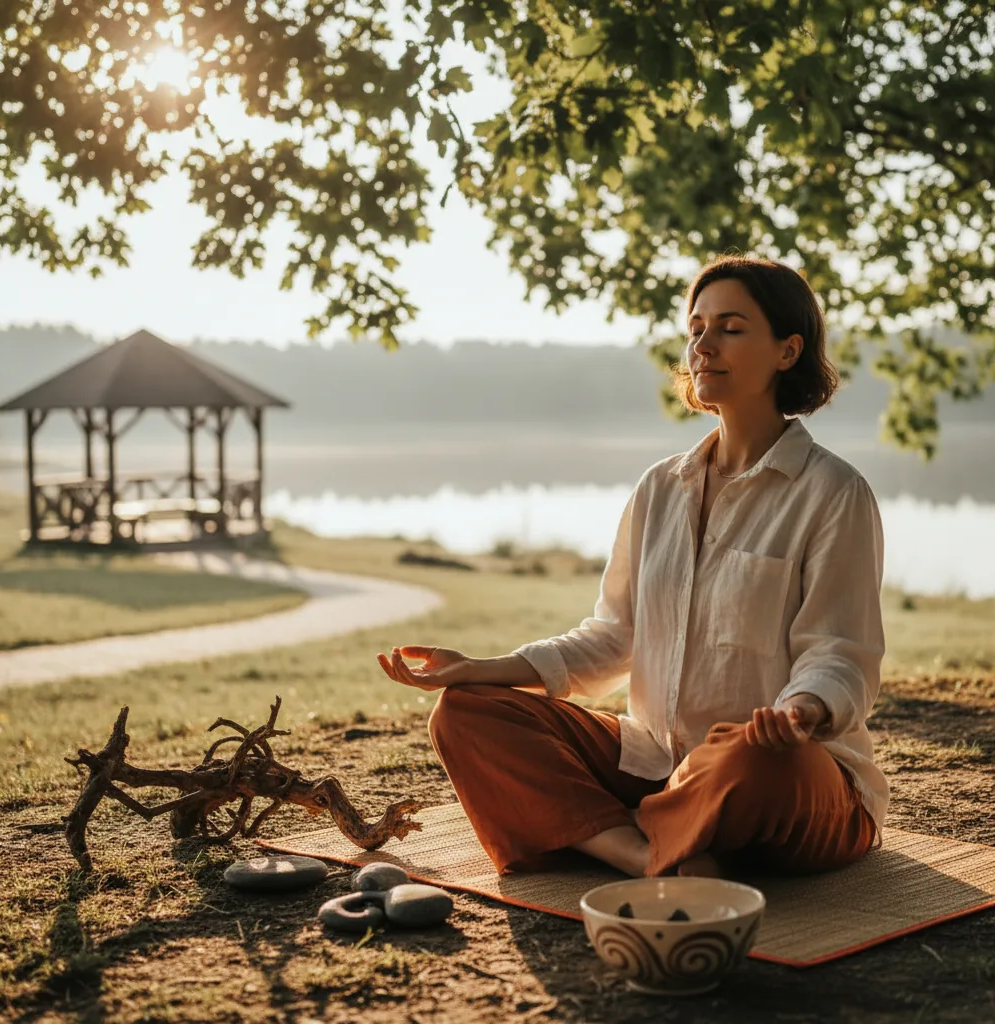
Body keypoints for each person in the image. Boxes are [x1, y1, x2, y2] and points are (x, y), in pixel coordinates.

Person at [377, 255, 887, 880]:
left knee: (752, 759)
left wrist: (800, 711)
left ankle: (657, 829)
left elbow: (839, 653)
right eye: (696, 327)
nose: (703, 344)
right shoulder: (660, 489)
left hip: (782, 774)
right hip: (656, 763)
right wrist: (484, 669)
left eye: (730, 327)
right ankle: (639, 852)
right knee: (467, 712)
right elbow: (612, 636)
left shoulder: (832, 491)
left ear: (788, 351)